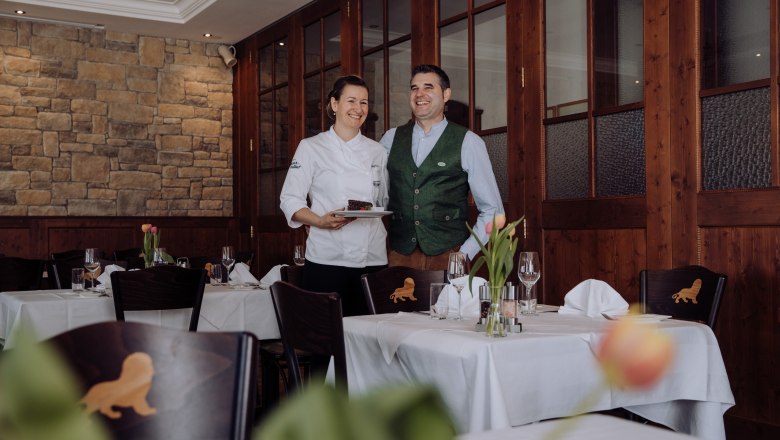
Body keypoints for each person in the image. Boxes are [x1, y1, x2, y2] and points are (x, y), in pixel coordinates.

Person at [280, 75, 387, 316]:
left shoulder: (377, 151)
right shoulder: (311, 147)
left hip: (372, 256)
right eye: (351, 101)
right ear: (335, 104)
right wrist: (319, 221)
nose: (358, 109)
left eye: (364, 102)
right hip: (327, 258)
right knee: (326, 339)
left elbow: (381, 200)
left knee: (369, 338)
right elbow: (289, 199)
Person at [380, 64, 503, 270]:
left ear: (446, 95)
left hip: (448, 255)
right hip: (399, 256)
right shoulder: (391, 138)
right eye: (414, 88)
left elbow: (493, 210)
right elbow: (375, 192)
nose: (420, 94)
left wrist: (464, 254)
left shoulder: (469, 142)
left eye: (428, 87)